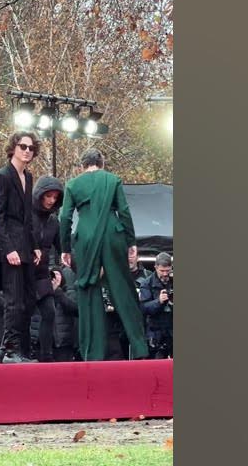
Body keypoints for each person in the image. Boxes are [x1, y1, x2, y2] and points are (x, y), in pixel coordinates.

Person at [59, 148, 149, 361]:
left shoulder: (73, 185)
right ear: (102, 163)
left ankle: (92, 352)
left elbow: (65, 218)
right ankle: (139, 348)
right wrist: (131, 241)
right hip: (113, 233)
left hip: (86, 236)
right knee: (122, 288)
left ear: (83, 165)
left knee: (89, 291)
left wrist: (64, 248)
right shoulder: (113, 180)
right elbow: (124, 211)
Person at [0, 132, 42, 364]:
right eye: (22, 146)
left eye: (31, 148)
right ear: (13, 148)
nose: (27, 150)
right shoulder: (2, 177)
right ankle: (11, 351)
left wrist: (34, 245)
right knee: (14, 300)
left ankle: (9, 350)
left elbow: (28, 218)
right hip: (10, 248)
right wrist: (8, 249)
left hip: (25, 245)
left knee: (27, 299)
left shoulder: (28, 177)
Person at [31, 175, 64, 362]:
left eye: (55, 197)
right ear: (40, 195)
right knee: (22, 315)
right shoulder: (26, 215)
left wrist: (58, 269)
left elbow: (62, 250)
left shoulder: (54, 222)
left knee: (49, 312)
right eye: (48, 196)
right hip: (23, 272)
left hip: (43, 274)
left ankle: (46, 356)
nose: (51, 200)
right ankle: (22, 353)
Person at [138, 252, 174, 359]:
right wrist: (159, 301)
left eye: (167, 271)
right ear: (155, 267)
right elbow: (143, 308)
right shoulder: (146, 284)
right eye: (162, 271)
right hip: (155, 331)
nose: (164, 274)